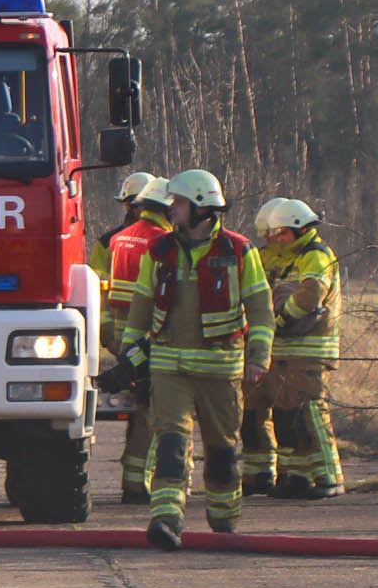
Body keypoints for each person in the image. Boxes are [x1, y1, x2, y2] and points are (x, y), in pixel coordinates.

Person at [125, 169, 274, 549]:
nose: (172, 209)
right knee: (171, 446)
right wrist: (130, 358)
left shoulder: (239, 251)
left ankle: (223, 520)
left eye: (178, 202)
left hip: (220, 371)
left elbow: (260, 309)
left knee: (222, 451)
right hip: (168, 369)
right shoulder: (158, 252)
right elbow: (140, 307)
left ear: (201, 207)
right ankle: (166, 518)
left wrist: (258, 357)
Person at [243, 197, 344, 499]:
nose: (274, 240)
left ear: (300, 230)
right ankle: (291, 477)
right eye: (271, 235)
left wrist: (280, 317)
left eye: (281, 234)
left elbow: (311, 294)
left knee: (309, 412)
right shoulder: (273, 255)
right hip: (281, 350)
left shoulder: (316, 255)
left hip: (309, 350)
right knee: (283, 415)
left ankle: (328, 478)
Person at [99, 173, 172, 504]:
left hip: (124, 338)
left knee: (144, 407)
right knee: (154, 411)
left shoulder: (119, 240)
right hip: (152, 339)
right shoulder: (162, 243)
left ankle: (133, 477)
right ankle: (145, 481)